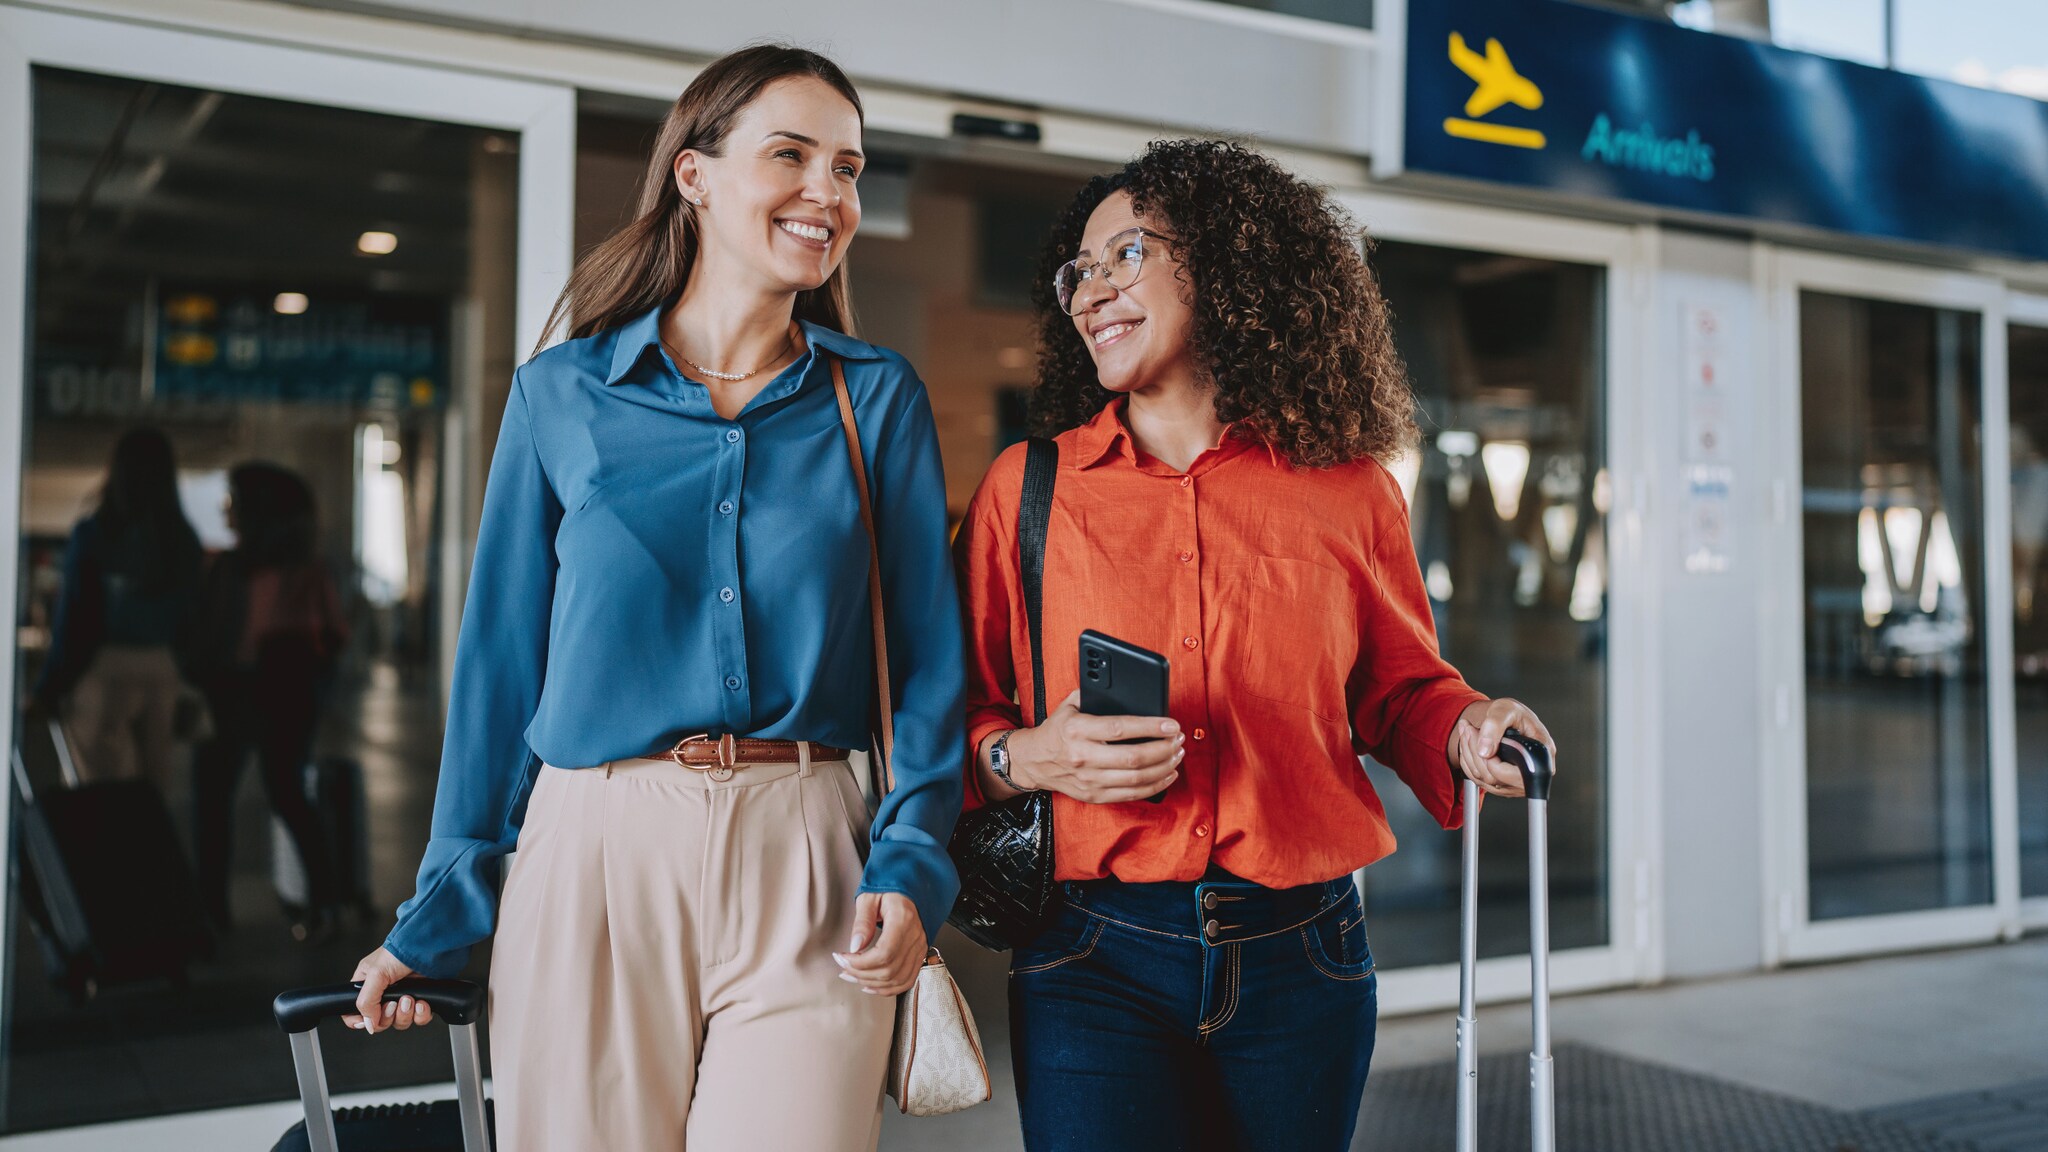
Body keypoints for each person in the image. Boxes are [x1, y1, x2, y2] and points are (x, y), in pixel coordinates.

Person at [344, 45, 964, 1152]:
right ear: (694, 175)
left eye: (849, 167)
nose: (829, 194)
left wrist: (910, 863)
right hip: (593, 849)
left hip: (811, 858)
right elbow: (497, 676)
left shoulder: (876, 402)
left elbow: (923, 668)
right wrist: (439, 922)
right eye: (791, 156)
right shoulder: (561, 396)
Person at [954, 139, 1559, 1152]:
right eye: (1077, 271)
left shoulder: (1348, 488)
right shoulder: (1029, 489)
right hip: (1090, 952)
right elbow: (956, 712)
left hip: (1302, 953)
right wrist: (1029, 757)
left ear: (1229, 269)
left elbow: (1400, 689)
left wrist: (1466, 728)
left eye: (1126, 254)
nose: (1090, 291)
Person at [189, 462, 349, 939]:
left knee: (214, 801)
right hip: (289, 690)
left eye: (234, 499)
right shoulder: (306, 569)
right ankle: (325, 903)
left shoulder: (228, 568)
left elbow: (215, 638)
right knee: (288, 796)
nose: (227, 509)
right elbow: (335, 632)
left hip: (235, 691)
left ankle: (212, 913)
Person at [34, 427, 204, 790]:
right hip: (162, 670)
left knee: (97, 791)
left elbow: (76, 621)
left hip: (105, 669)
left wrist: (49, 687)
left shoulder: (96, 534)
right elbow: (192, 619)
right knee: (152, 794)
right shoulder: (183, 540)